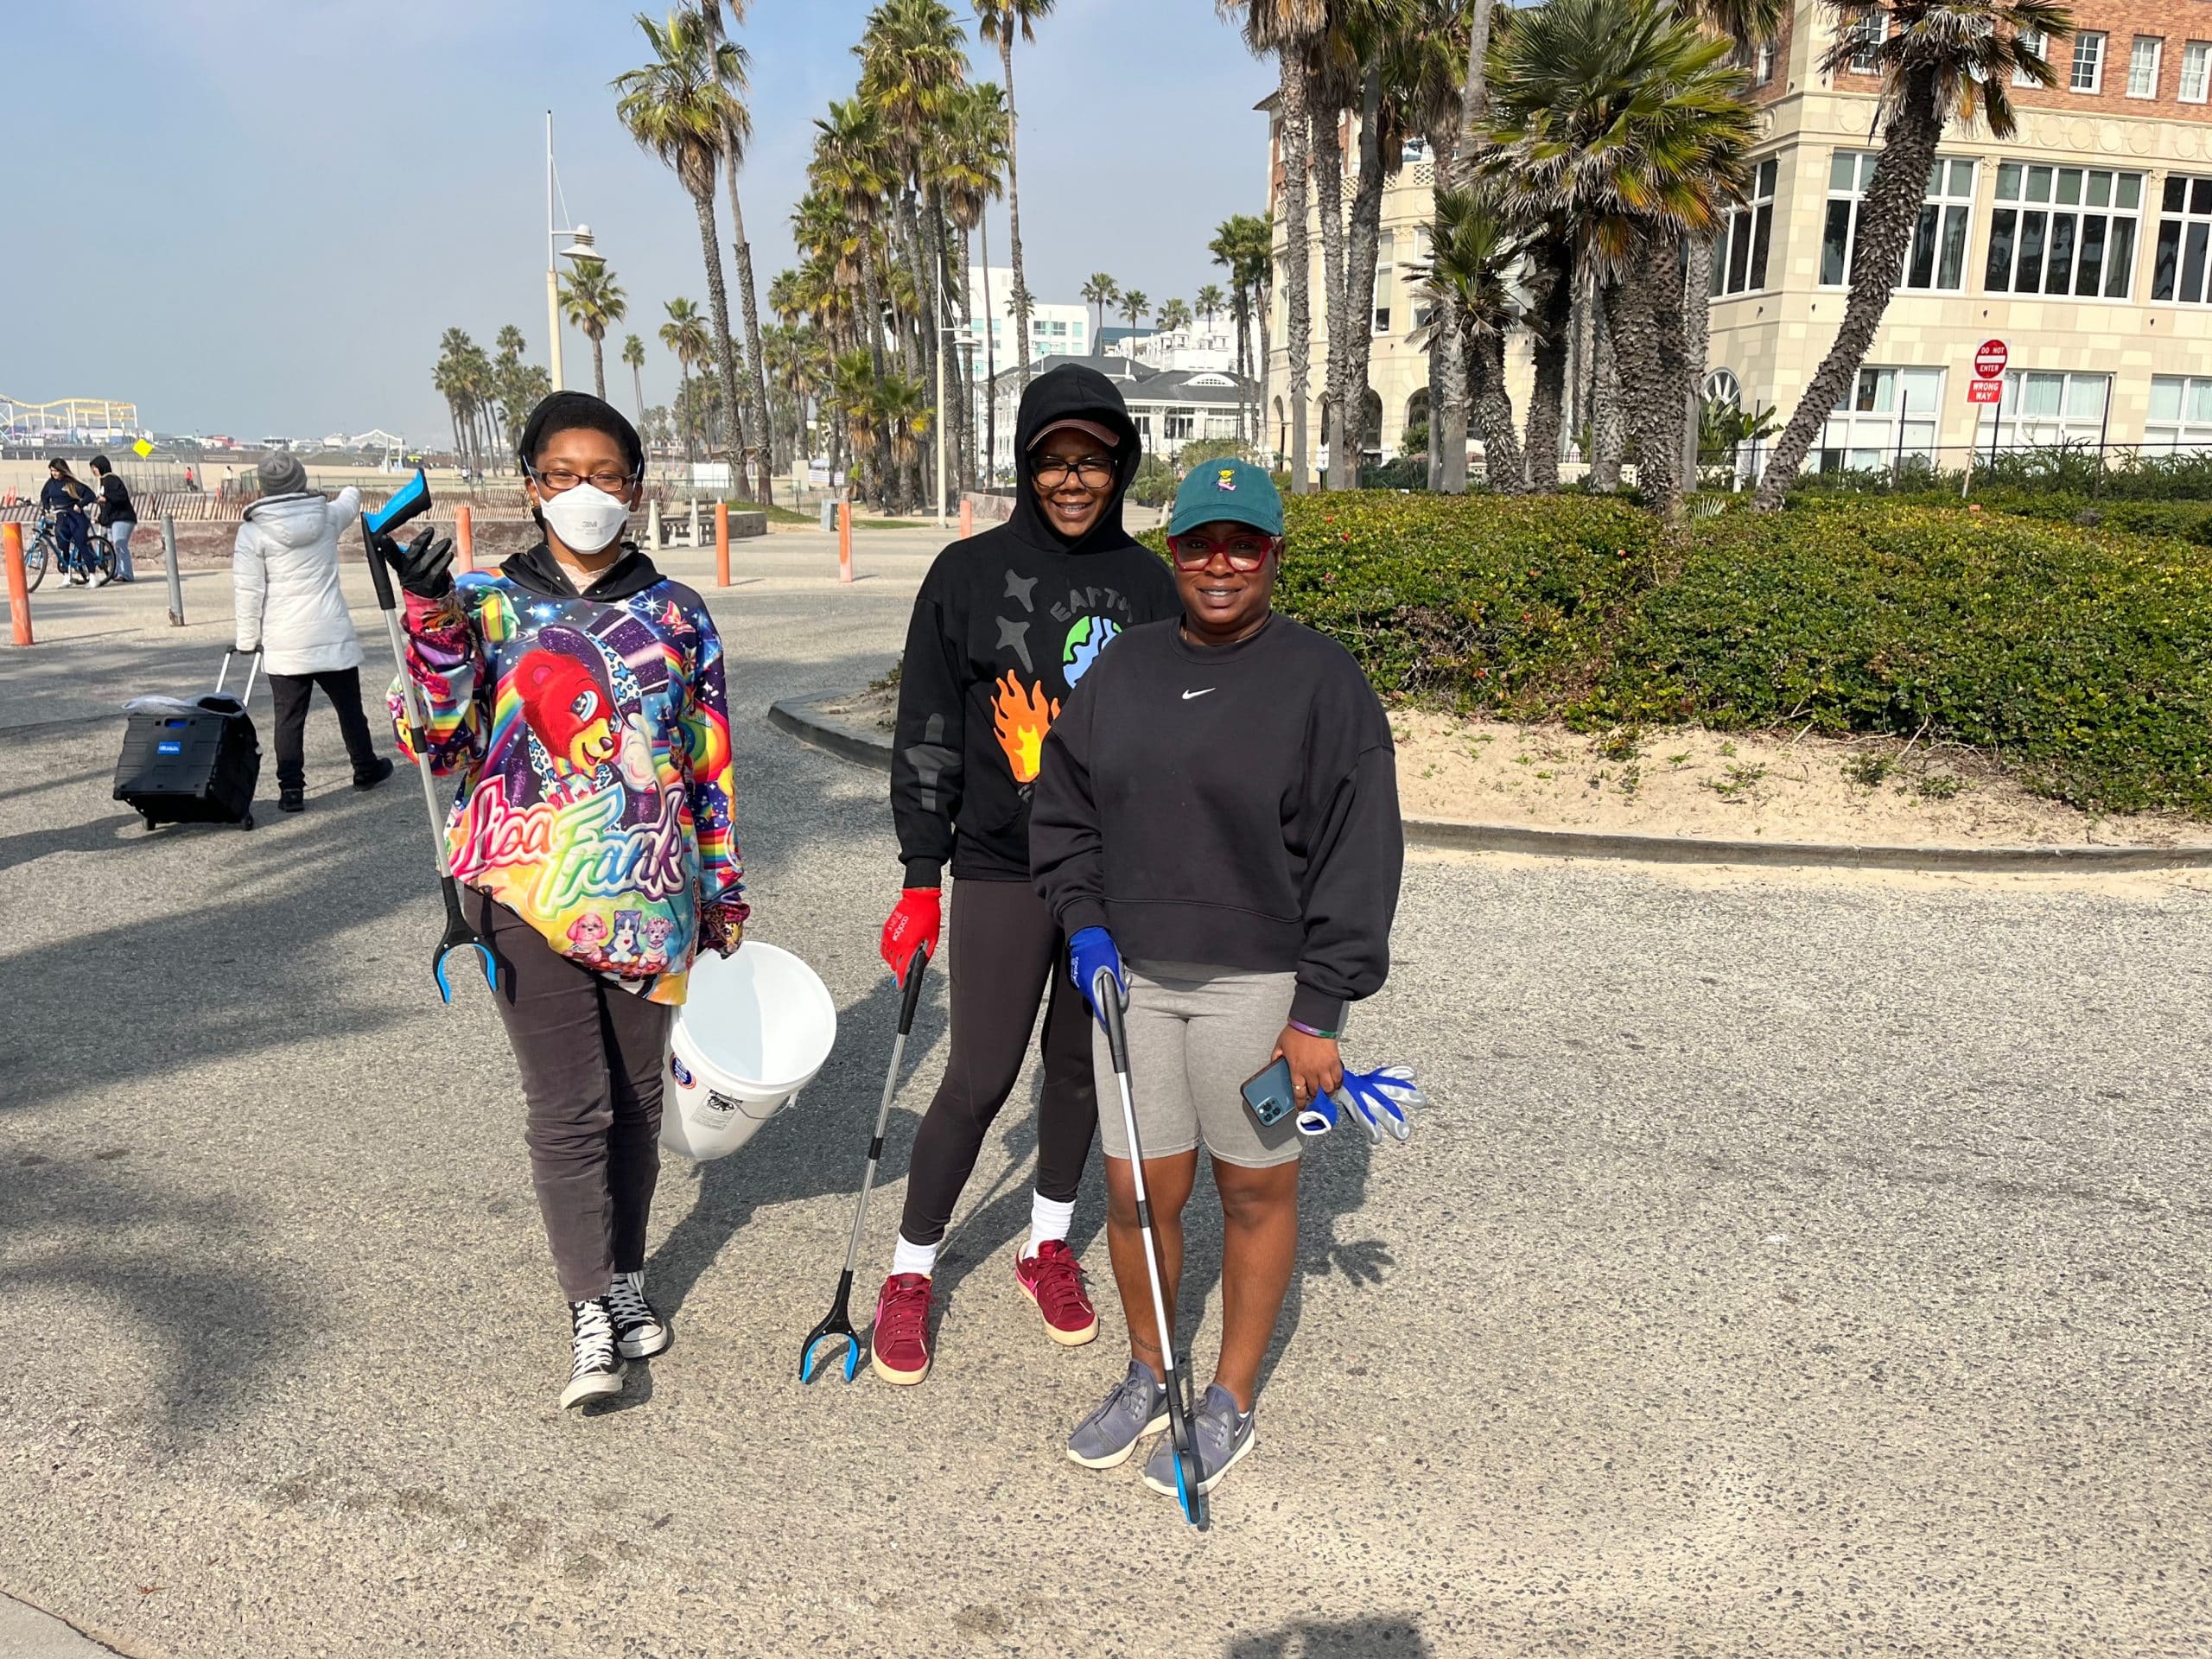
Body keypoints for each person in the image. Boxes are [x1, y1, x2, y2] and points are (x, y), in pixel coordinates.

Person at [1031, 458, 1403, 1498]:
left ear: (1275, 555)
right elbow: (1063, 816)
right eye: (1200, 543)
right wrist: (1084, 925)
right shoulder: (1126, 669)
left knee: (1251, 1189)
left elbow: (1359, 850)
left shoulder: (1322, 680)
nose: (1220, 562)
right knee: (1139, 1190)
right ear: (1173, 552)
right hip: (1131, 980)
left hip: (1258, 987)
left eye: (1243, 543)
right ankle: (1150, 1371)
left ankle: (1228, 1394)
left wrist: (1321, 1006)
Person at [383, 391, 747, 1410]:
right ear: (530, 483)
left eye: (607, 475)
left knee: (637, 1100)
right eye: (563, 475)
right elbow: (439, 743)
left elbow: (706, 760)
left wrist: (721, 885)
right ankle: (589, 1304)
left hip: (652, 895)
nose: (585, 494)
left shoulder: (679, 614)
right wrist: (427, 621)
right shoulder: (482, 602)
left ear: (637, 488)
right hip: (521, 892)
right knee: (569, 1104)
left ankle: (625, 1275)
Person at [872, 364, 1182, 1386]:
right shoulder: (965, 576)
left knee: (1077, 1066)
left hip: (1116, 875)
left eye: (1091, 459)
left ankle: (1046, 1242)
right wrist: (924, 874)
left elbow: (1178, 737)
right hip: (1003, 865)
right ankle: (910, 1268)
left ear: (1120, 464)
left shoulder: (1150, 585)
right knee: (979, 1073)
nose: (1072, 479)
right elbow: (924, 732)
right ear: (1025, 463)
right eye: (1053, 459)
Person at [232, 451, 396, 812]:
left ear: (264, 486)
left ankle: (291, 791)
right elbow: (351, 502)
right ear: (301, 480)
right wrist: (352, 485)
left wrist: (247, 639)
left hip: (285, 640)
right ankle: (365, 768)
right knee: (350, 709)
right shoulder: (326, 516)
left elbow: (248, 591)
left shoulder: (253, 531)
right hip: (330, 632)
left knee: (288, 719)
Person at [39, 460, 100, 587]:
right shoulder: (50, 484)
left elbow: (90, 495)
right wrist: (46, 507)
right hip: (61, 517)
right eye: (52, 471)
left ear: (62, 470)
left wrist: (80, 505)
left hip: (75, 517)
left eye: (56, 471)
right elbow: (44, 495)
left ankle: (93, 576)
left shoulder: (71, 483)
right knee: (63, 547)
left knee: (81, 544)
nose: (54, 473)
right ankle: (67, 576)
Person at [87, 455, 137, 582]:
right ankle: (115, 571)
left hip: (122, 517)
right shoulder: (102, 481)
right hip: (113, 519)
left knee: (120, 544)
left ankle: (126, 573)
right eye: (92, 468)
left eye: (95, 468)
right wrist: (101, 518)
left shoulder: (111, 479)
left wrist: (107, 498)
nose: (94, 471)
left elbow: (121, 496)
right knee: (112, 546)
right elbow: (106, 507)